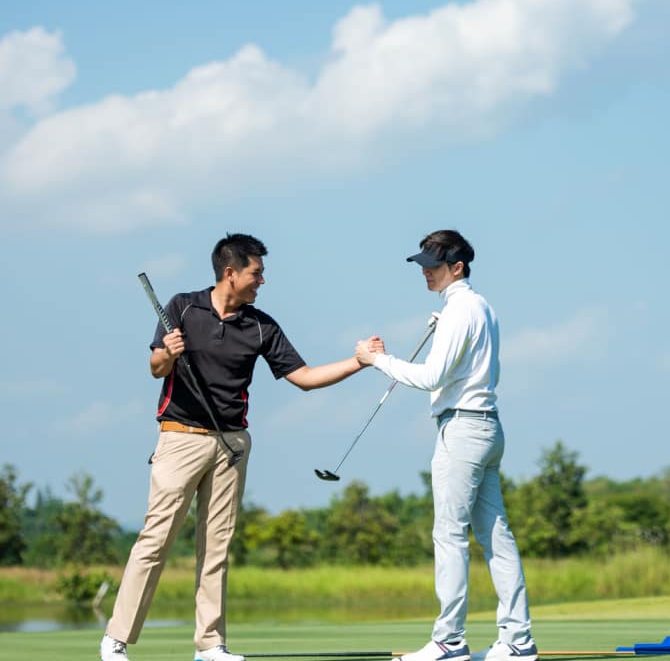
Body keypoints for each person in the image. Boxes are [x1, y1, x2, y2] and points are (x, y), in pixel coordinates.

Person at [101, 232, 382, 661]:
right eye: (257, 272)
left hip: (232, 444)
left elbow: (303, 378)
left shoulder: (260, 325)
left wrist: (360, 363)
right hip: (180, 437)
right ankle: (116, 639)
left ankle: (211, 645)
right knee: (155, 540)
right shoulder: (182, 307)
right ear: (230, 273)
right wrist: (169, 354)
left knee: (217, 547)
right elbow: (156, 367)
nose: (262, 280)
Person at [355, 230, 537, 661]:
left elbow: (431, 378)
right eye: (422, 265)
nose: (425, 272)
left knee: (449, 535)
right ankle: (518, 640)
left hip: (463, 432)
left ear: (457, 267)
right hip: (487, 429)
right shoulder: (479, 307)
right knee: (497, 536)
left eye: (433, 266)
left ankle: (449, 640)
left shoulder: (461, 310)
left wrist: (376, 360)